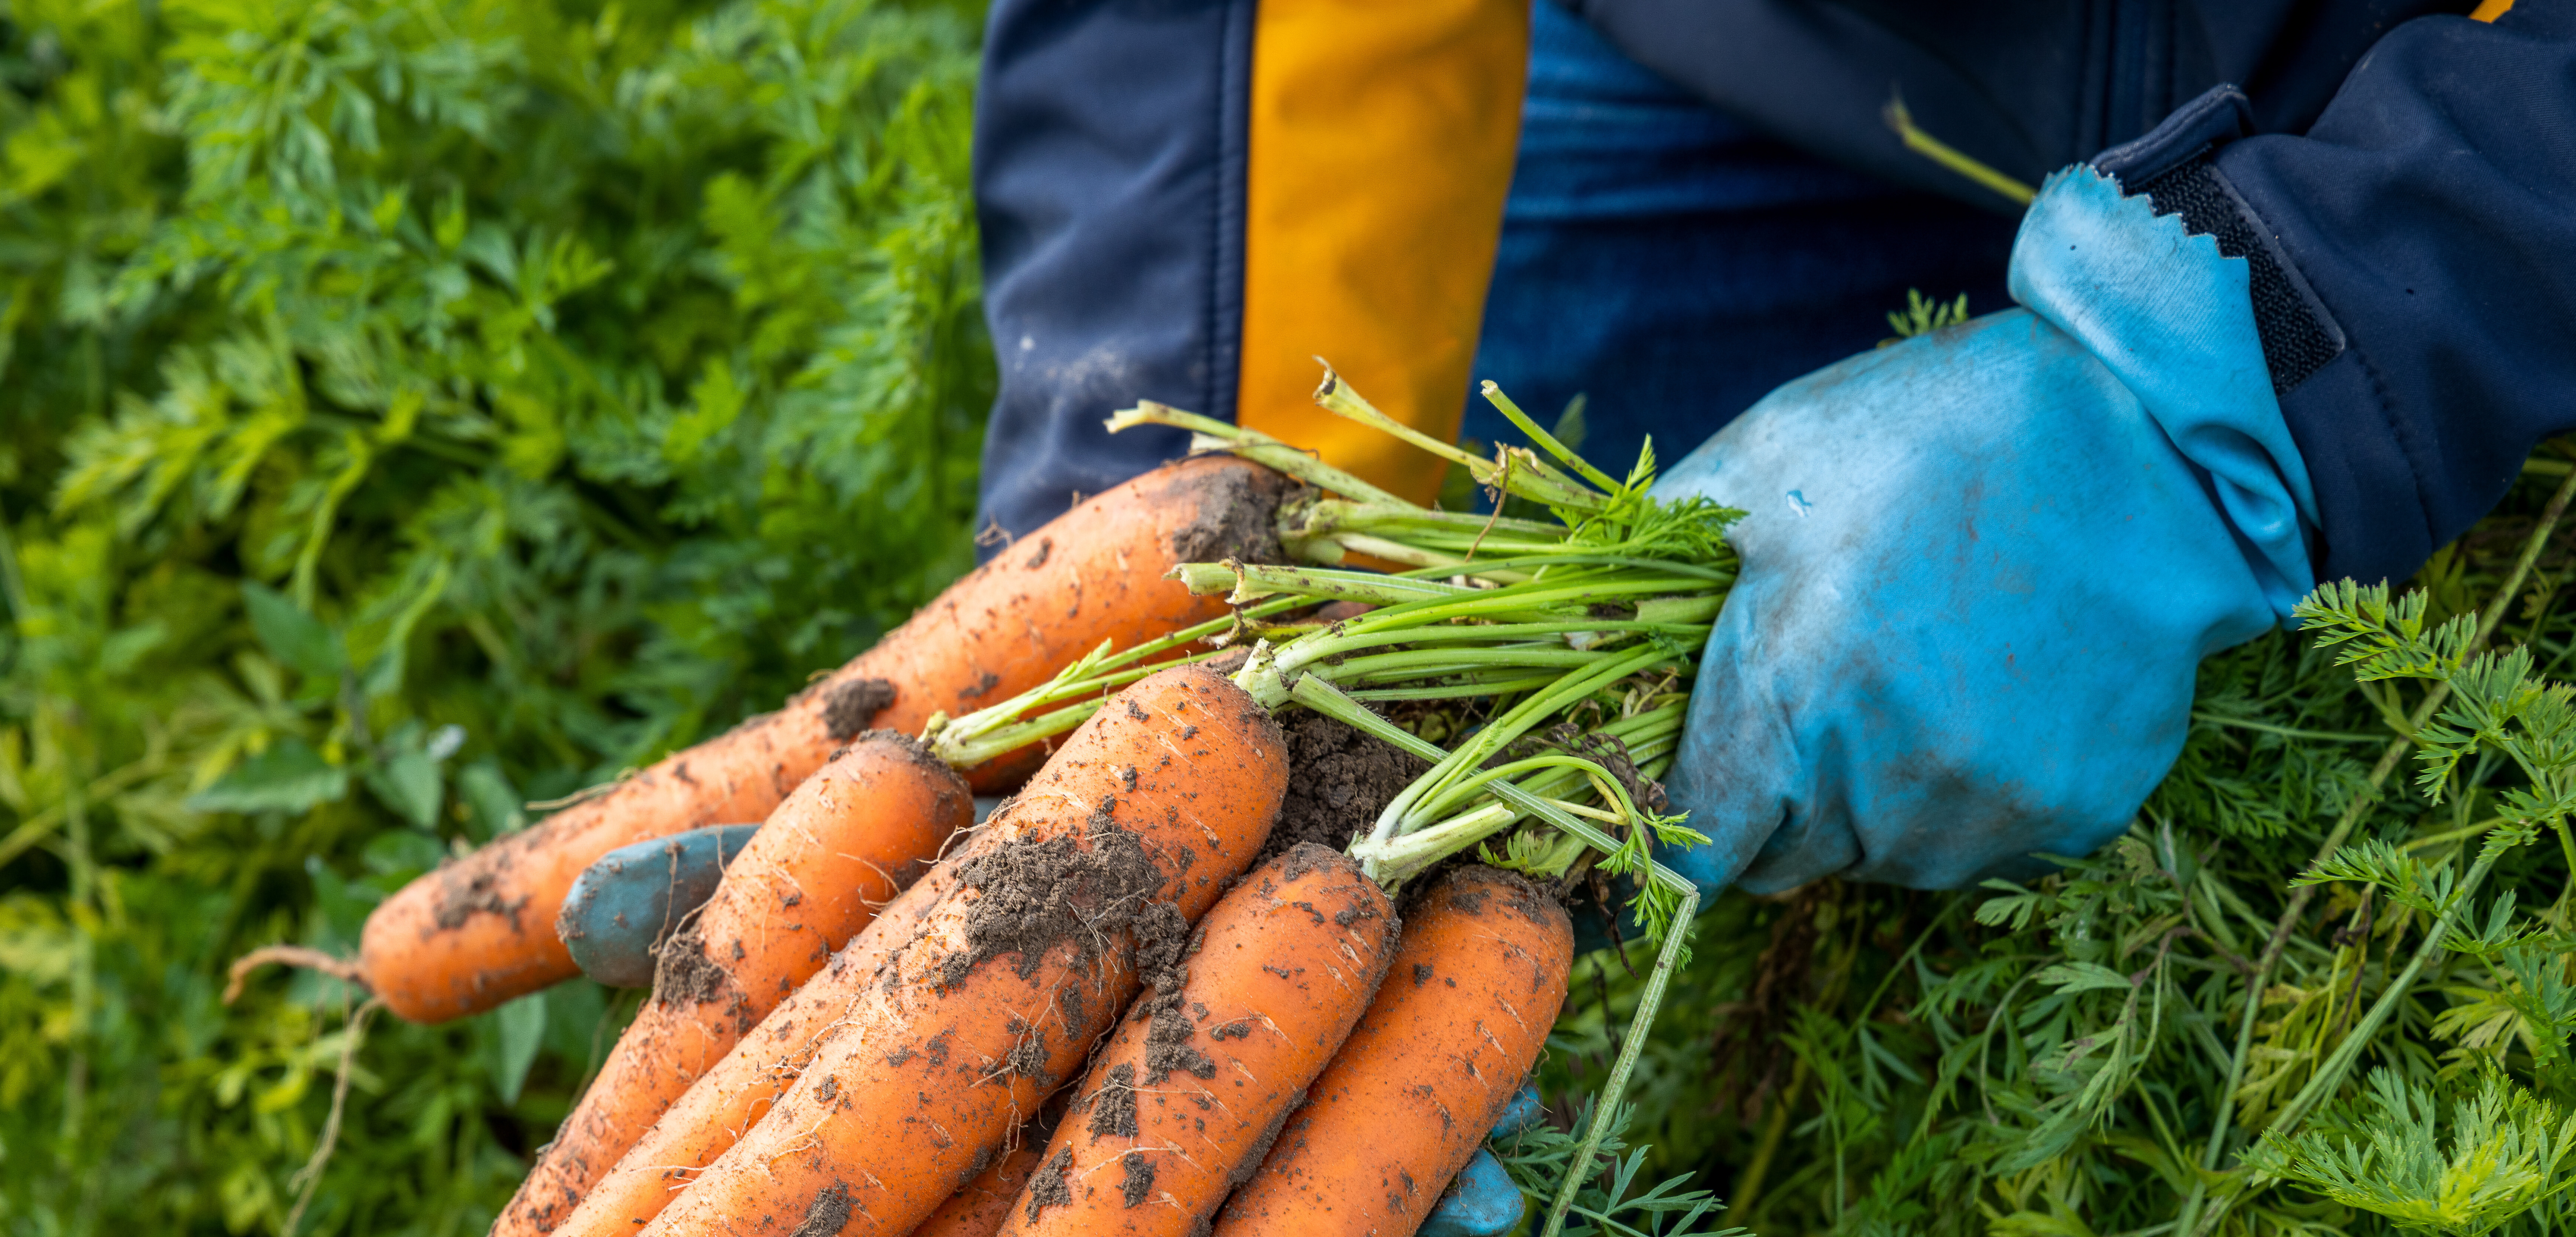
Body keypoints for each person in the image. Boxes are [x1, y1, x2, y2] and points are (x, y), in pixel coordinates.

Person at [975, 0, 2576, 898]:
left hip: (2455, 118)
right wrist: (1177, 647)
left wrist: (2272, 342)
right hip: (1818, 68)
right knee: (1346, 788)